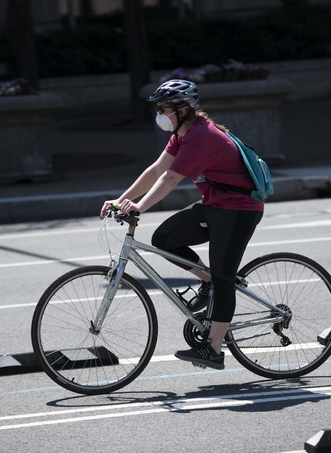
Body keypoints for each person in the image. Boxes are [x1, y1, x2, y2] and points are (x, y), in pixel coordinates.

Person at [99, 79, 264, 370]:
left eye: (165, 108)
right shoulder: (182, 133)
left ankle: (213, 349)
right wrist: (120, 200)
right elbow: (156, 170)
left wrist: (139, 207)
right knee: (165, 239)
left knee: (225, 278)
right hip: (216, 206)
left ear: (185, 109)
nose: (160, 114)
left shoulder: (201, 137)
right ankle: (208, 281)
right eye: (159, 108)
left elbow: (171, 178)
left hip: (239, 210)